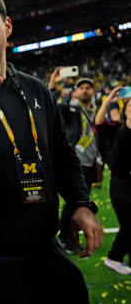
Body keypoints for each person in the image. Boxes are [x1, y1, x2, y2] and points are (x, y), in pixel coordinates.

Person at [0, 0, 103, 303]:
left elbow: (62, 152)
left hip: (43, 249)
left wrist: (81, 203)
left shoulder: (35, 89)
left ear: (7, 27)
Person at [51, 77, 102, 253]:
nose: (85, 90)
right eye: (81, 88)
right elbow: (49, 108)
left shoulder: (96, 112)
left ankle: (69, 238)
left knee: (79, 202)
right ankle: (64, 239)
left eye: (89, 87)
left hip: (90, 163)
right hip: (76, 163)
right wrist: (53, 87)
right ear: (75, 93)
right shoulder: (70, 109)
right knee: (74, 203)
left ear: (94, 92)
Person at [96, 86, 131, 275]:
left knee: (128, 226)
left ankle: (114, 257)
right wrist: (108, 100)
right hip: (121, 186)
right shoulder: (118, 129)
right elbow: (99, 122)